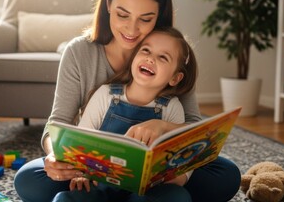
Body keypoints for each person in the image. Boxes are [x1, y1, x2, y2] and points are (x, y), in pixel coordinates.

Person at [14, 0, 241, 201]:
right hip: (97, 174)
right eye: (123, 14)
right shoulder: (79, 53)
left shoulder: (171, 53)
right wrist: (55, 159)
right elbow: (57, 123)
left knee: (224, 174)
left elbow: (195, 128)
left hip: (154, 178)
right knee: (30, 179)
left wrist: (161, 127)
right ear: (108, 4)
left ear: (159, 15)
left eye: (146, 18)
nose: (132, 29)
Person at [63, 27, 197, 201]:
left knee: (178, 197)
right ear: (134, 57)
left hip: (145, 190)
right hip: (100, 183)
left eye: (163, 57)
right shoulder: (106, 94)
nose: (150, 58)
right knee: (70, 197)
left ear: (175, 78)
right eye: (146, 50)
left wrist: (173, 178)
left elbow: (181, 154)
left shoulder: (171, 107)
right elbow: (80, 139)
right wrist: (80, 172)